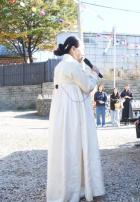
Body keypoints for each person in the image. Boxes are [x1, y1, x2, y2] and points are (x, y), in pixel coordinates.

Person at [47, 36, 105, 201]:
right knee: (78, 144)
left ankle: (65, 187)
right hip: (75, 113)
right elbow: (87, 87)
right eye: (81, 50)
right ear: (73, 49)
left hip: (63, 113)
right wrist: (94, 73)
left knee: (67, 147)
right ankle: (80, 188)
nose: (82, 54)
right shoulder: (73, 65)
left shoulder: (59, 66)